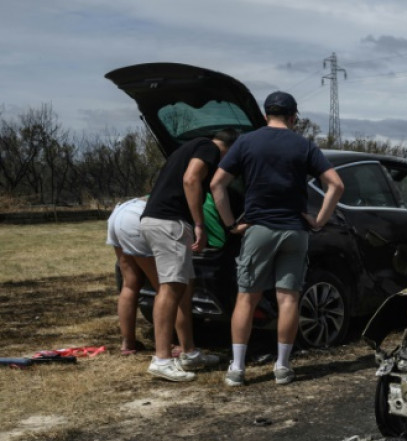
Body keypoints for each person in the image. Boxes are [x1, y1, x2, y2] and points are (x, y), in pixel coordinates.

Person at [210, 91, 344, 387]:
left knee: (246, 297)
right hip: (295, 229)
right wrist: (319, 220)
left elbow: (217, 184)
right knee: (288, 299)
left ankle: (238, 369)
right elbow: (336, 184)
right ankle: (282, 368)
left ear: (265, 114)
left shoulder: (246, 142)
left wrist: (231, 223)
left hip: (259, 228)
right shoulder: (304, 145)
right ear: (294, 116)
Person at [139, 128, 239, 382]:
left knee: (184, 287)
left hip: (160, 220)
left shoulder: (190, 147)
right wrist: (199, 224)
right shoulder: (209, 148)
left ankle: (189, 352)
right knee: (171, 288)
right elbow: (191, 179)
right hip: (169, 222)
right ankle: (162, 359)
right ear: (229, 147)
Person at [105, 197, 201, 357]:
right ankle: (172, 346)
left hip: (119, 213)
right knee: (169, 290)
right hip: (139, 217)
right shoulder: (198, 196)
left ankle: (128, 344)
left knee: (130, 283)